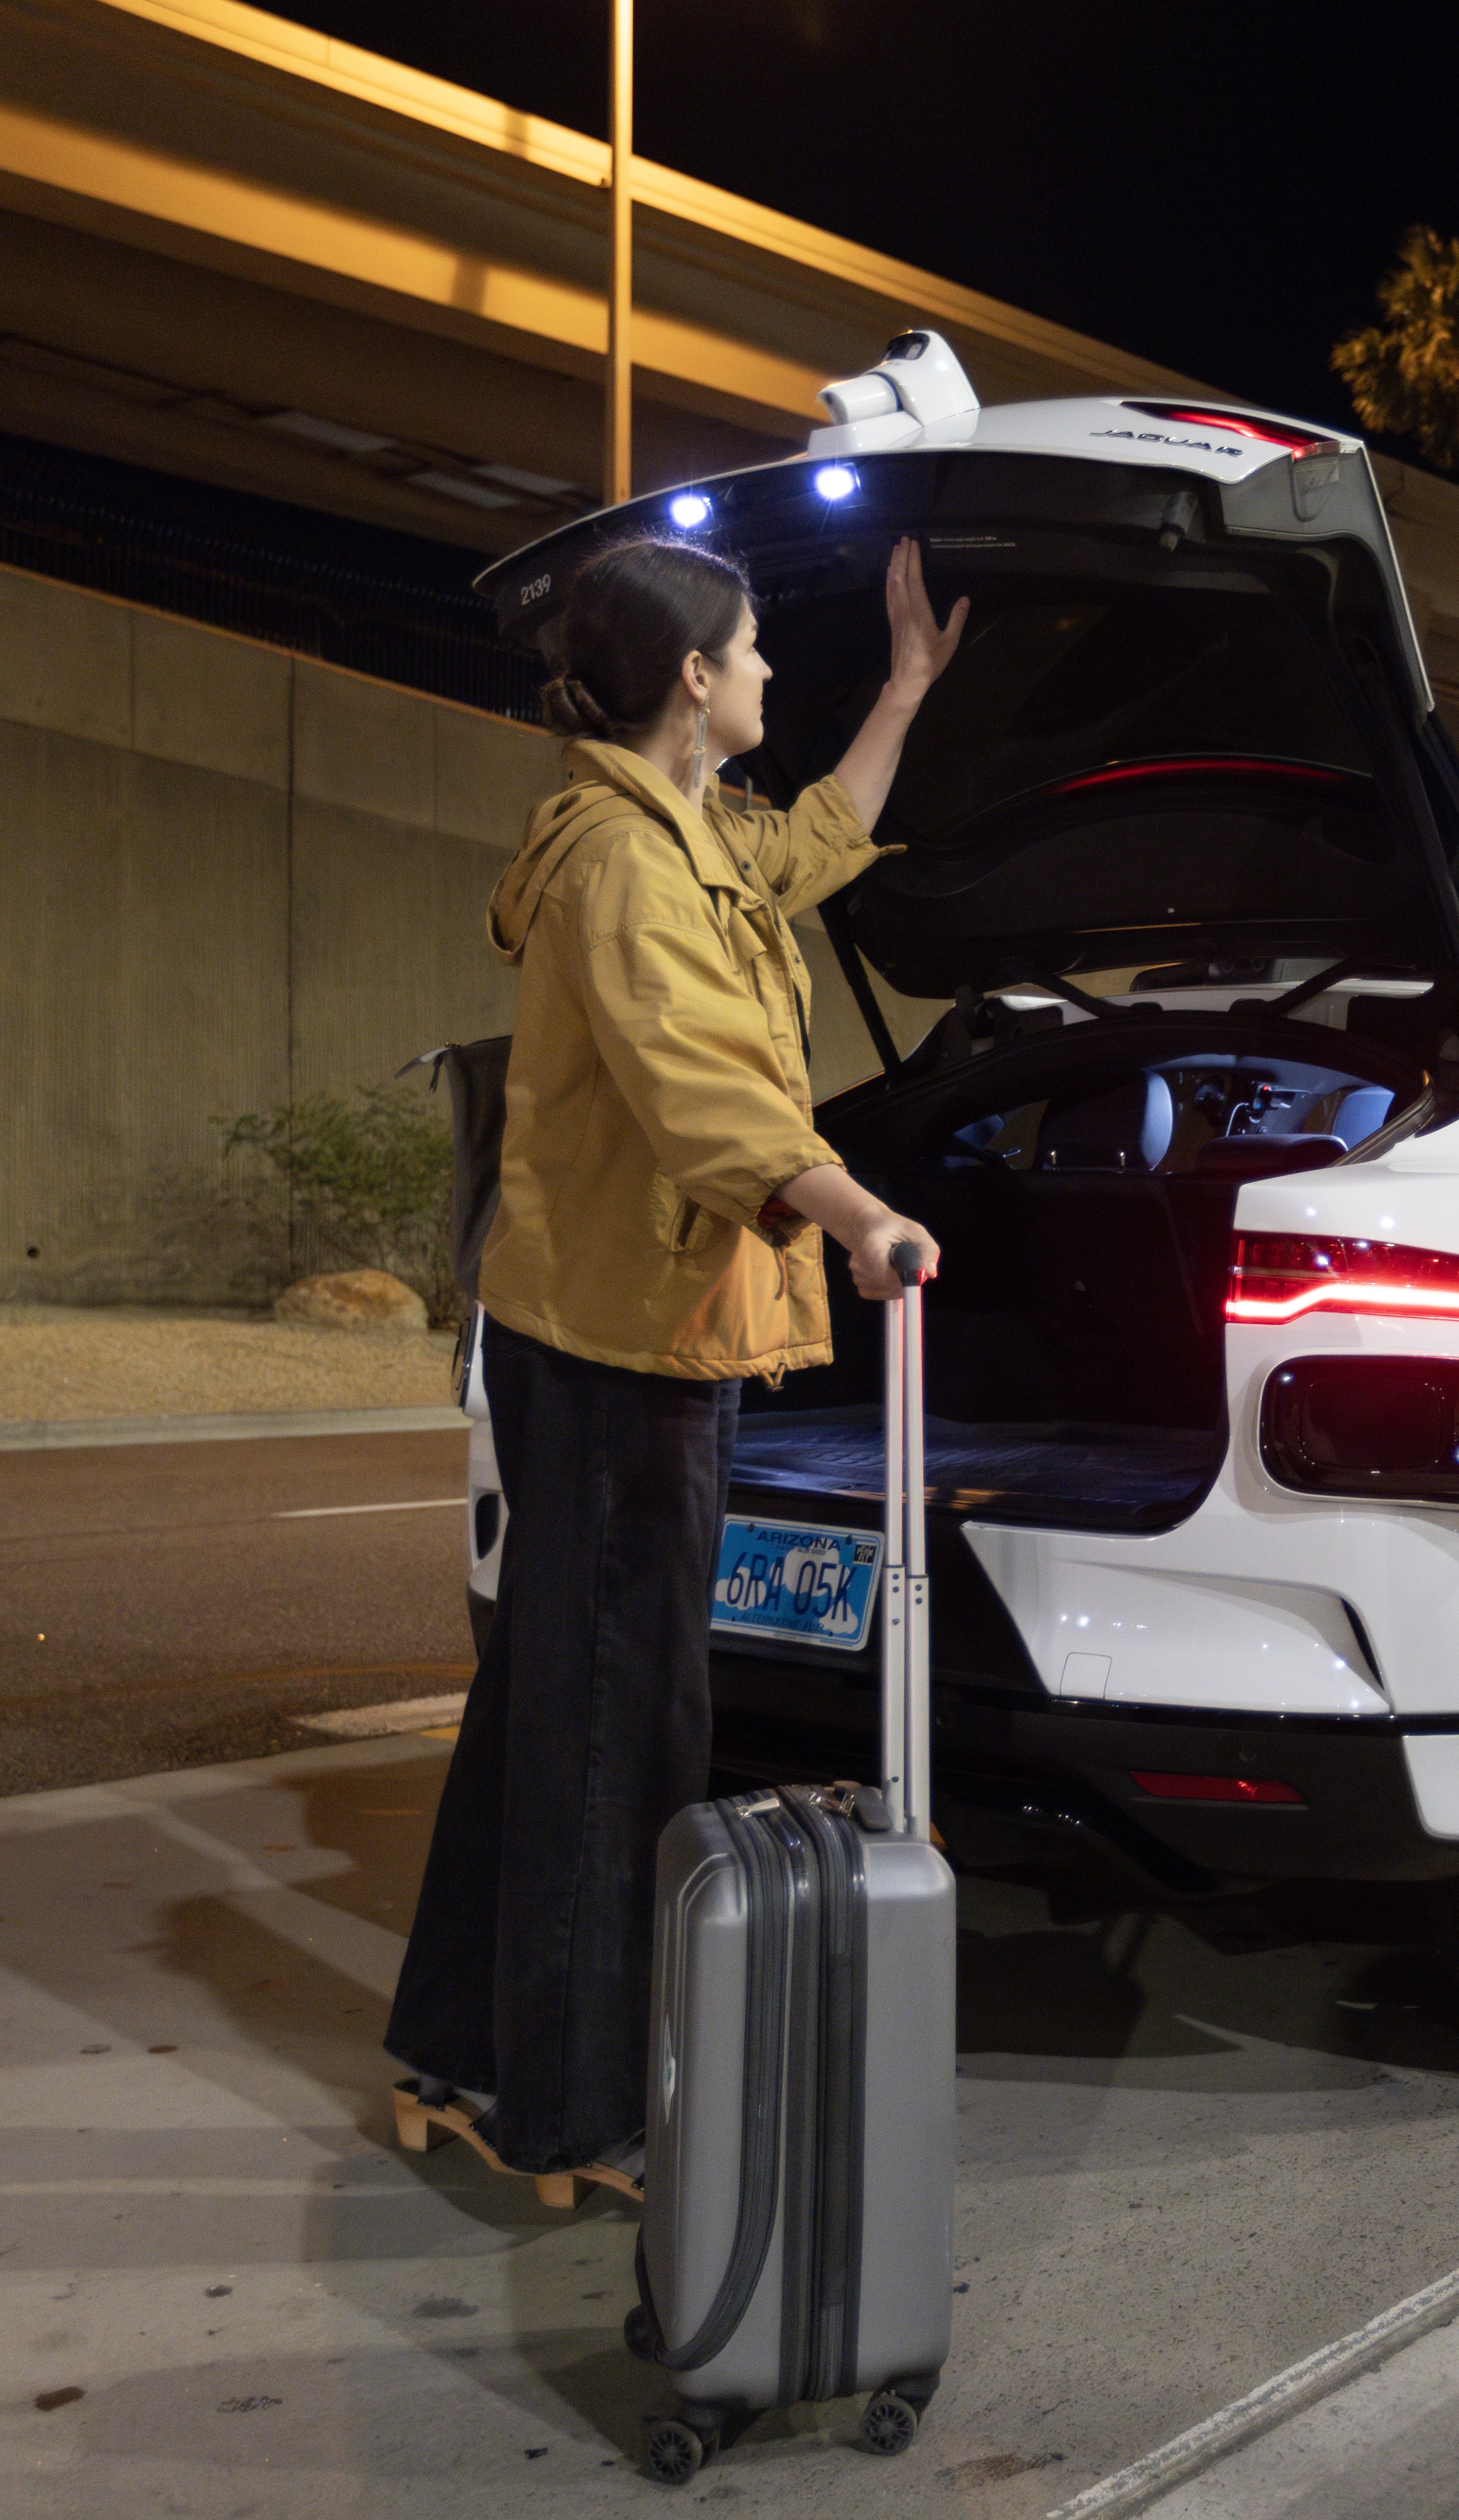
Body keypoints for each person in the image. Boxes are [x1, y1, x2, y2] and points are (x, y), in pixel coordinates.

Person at [384, 531, 961, 2187]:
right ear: (696, 683)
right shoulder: (629, 869)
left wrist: (909, 691)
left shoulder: (682, 832)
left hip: (615, 1325)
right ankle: (564, 2113)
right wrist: (856, 1213)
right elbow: (703, 1089)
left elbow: (817, 843)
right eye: (760, 651)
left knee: (543, 1707)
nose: (779, 673)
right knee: (615, 1721)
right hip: (621, 1341)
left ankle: (455, 2054)